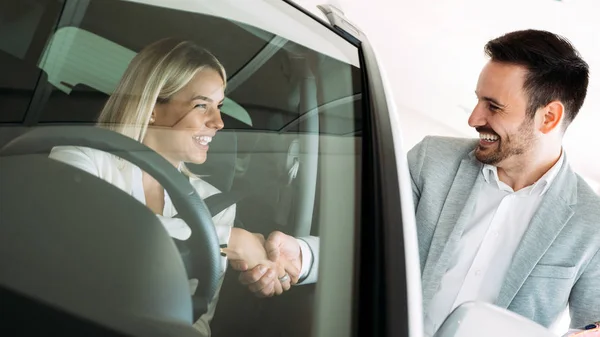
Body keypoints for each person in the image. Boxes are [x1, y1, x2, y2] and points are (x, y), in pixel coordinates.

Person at [234, 29, 600, 336]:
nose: (474, 118)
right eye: (478, 101)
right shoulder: (430, 161)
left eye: (494, 106)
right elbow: (371, 243)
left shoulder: (591, 222)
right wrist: (302, 256)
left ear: (549, 117)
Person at [48, 38, 293, 336]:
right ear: (151, 108)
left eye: (218, 107)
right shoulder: (80, 158)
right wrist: (233, 240)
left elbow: (198, 317)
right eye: (201, 105)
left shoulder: (217, 205)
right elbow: (90, 230)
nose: (218, 122)